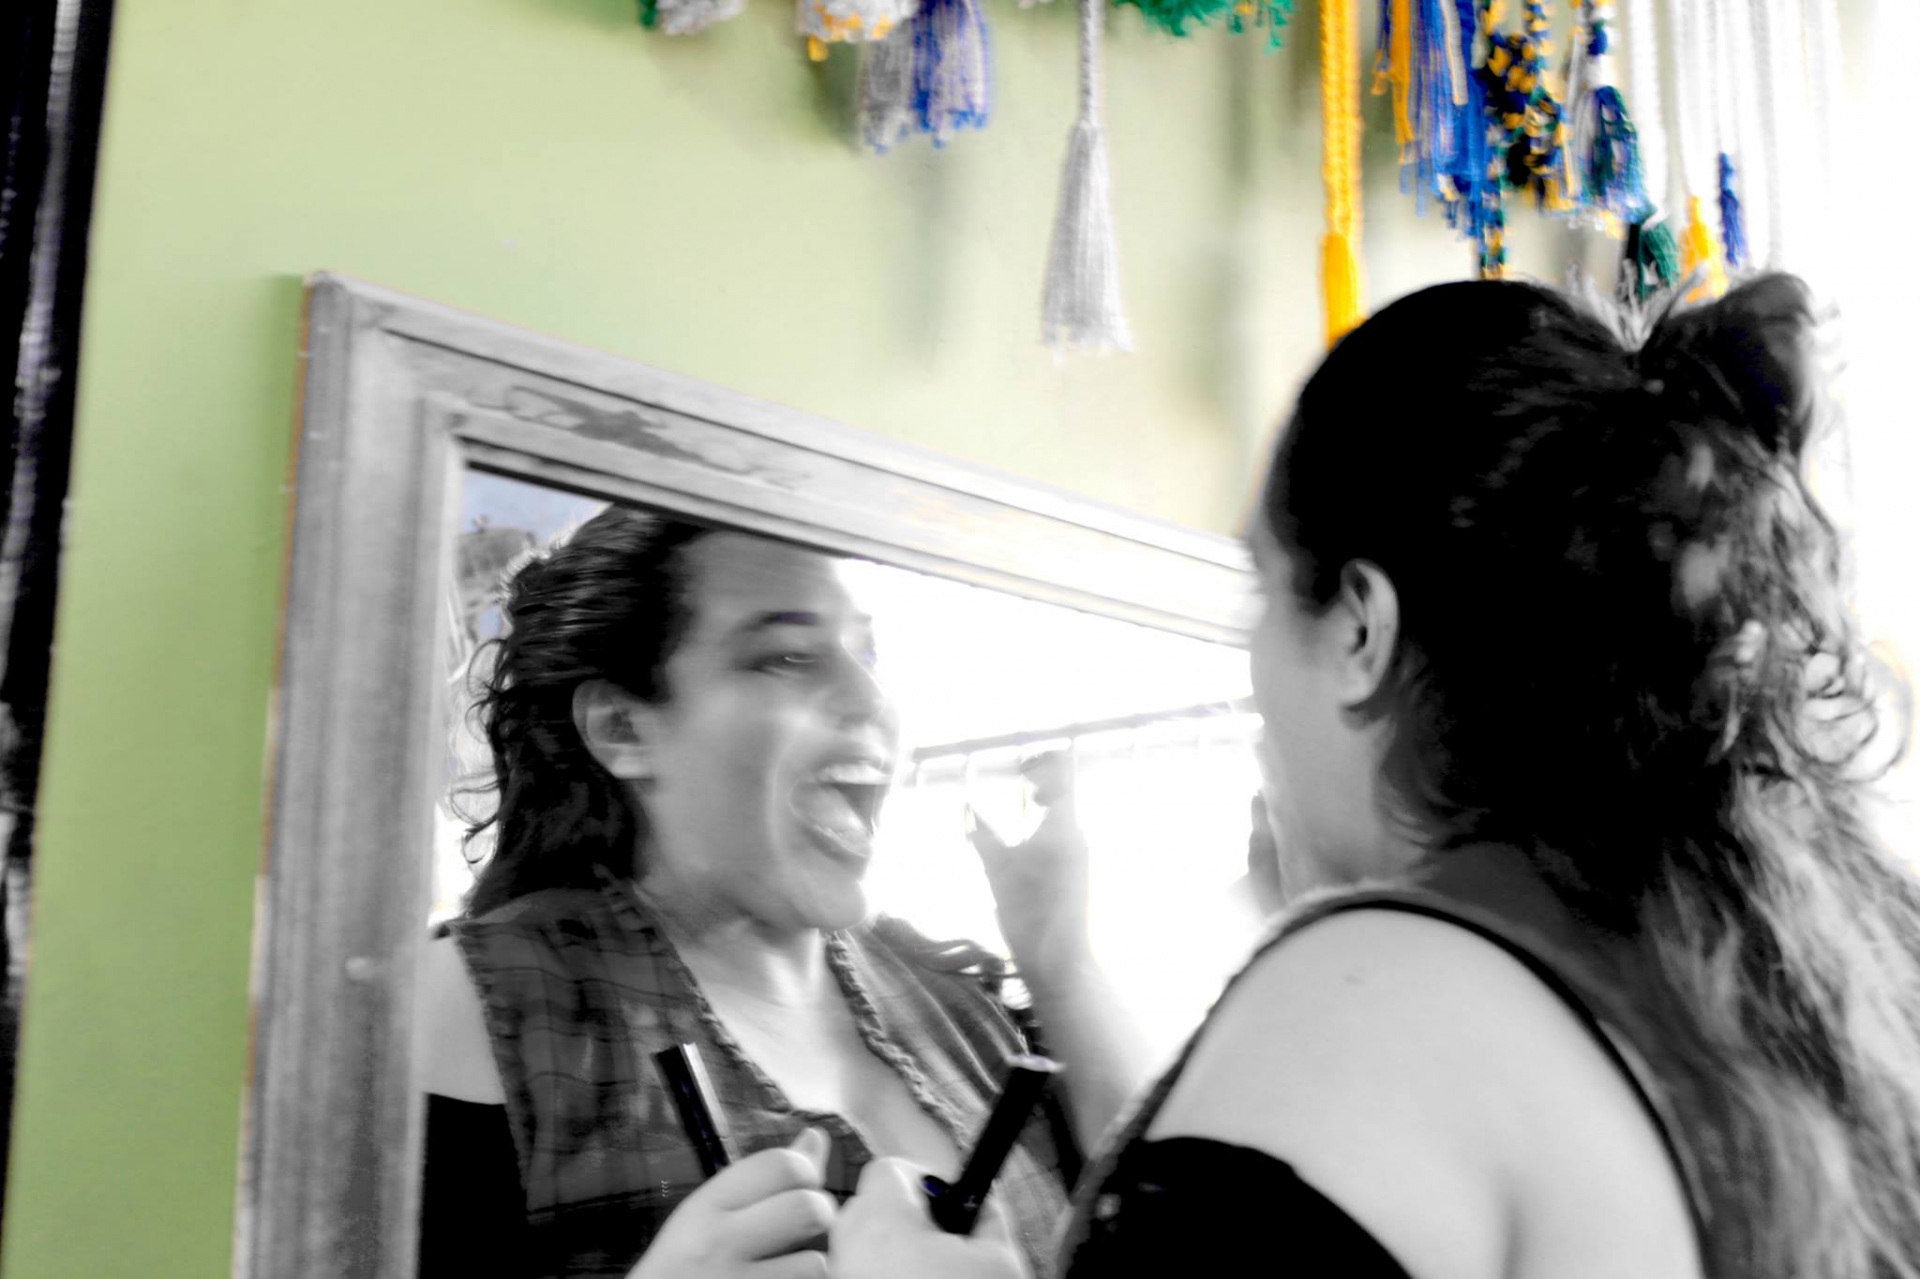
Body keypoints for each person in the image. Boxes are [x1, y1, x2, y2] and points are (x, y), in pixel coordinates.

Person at [829, 273, 1920, 1279]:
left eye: (1263, 592)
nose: (1254, 675)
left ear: (1360, 626)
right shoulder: (1825, 966)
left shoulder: (1383, 992)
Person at [411, 514, 1108, 1279]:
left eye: (868, 653)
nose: (871, 697)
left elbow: (1165, 1235)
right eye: (788, 656)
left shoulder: (960, 1001)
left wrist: (1063, 963)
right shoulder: (482, 1005)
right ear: (621, 726)